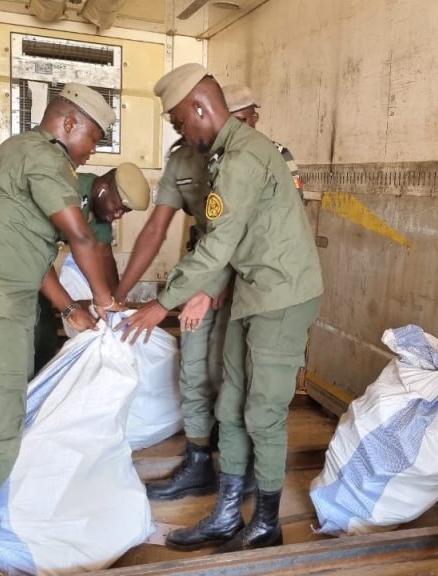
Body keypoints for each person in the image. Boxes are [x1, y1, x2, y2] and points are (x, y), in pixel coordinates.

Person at [119, 63, 323, 553]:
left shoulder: (245, 156)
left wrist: (159, 305)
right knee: (230, 402)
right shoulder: (219, 156)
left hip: (283, 293)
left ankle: (266, 522)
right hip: (250, 289)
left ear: (199, 108)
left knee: (263, 411)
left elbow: (216, 245)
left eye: (178, 122)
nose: (180, 133)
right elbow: (216, 241)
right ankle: (228, 513)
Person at [0, 83, 124, 576]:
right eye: (95, 137)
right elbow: (78, 234)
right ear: (70, 124)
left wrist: (67, 310)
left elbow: (30, 257)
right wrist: (105, 301)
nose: (94, 149)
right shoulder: (43, 156)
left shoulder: (23, 155)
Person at [112, 112, 230, 501]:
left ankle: (236, 470)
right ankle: (199, 463)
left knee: (231, 375)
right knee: (194, 366)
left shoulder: (254, 157)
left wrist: (209, 289)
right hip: (201, 270)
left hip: (247, 278)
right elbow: (155, 228)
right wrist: (120, 293)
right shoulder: (183, 160)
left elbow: (249, 234)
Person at [33, 163, 150, 373]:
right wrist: (69, 307)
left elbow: (104, 255)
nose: (118, 216)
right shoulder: (70, 191)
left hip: (36, 265)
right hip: (16, 263)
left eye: (124, 212)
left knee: (46, 332)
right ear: (103, 187)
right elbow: (34, 256)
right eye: (118, 207)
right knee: (38, 331)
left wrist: (116, 302)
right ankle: (29, 393)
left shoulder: (99, 210)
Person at [223, 83, 304, 197]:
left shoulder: (280, 153)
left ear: (255, 118)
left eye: (240, 121)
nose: (236, 128)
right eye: (230, 123)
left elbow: (297, 197)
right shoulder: (219, 156)